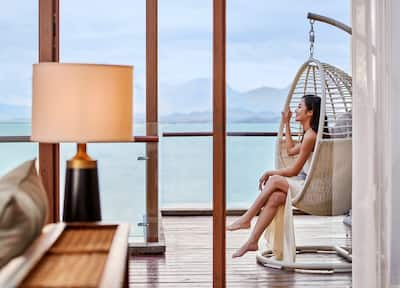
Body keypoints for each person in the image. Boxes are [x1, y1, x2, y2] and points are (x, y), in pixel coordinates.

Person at [227, 94, 321, 258]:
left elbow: (294, 171)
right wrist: (286, 123)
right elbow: (291, 149)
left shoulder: (311, 136)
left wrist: (271, 172)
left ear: (310, 112)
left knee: (275, 179)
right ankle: (252, 241)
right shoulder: (309, 135)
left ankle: (247, 218)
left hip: (312, 188)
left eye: (300, 106)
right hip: (305, 183)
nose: (296, 110)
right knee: (276, 197)